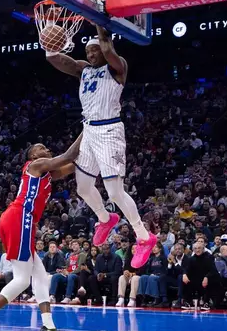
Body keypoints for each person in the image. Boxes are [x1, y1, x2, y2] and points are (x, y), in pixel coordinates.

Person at [46, 24, 157, 268]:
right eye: (88, 52)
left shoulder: (117, 67)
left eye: (94, 50)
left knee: (115, 192)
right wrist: (50, 50)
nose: (91, 54)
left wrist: (97, 20)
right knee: (84, 187)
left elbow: (107, 49)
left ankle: (144, 236)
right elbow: (66, 63)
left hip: (109, 130)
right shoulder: (84, 70)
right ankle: (106, 219)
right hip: (89, 130)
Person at [0, 135, 82, 331]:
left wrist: (95, 154)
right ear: (32, 155)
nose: (46, 148)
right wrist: (89, 128)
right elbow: (68, 155)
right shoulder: (35, 165)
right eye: (42, 147)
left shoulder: (47, 173)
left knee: (39, 276)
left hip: (21, 221)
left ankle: (48, 329)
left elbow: (72, 165)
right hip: (20, 218)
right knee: (22, 280)